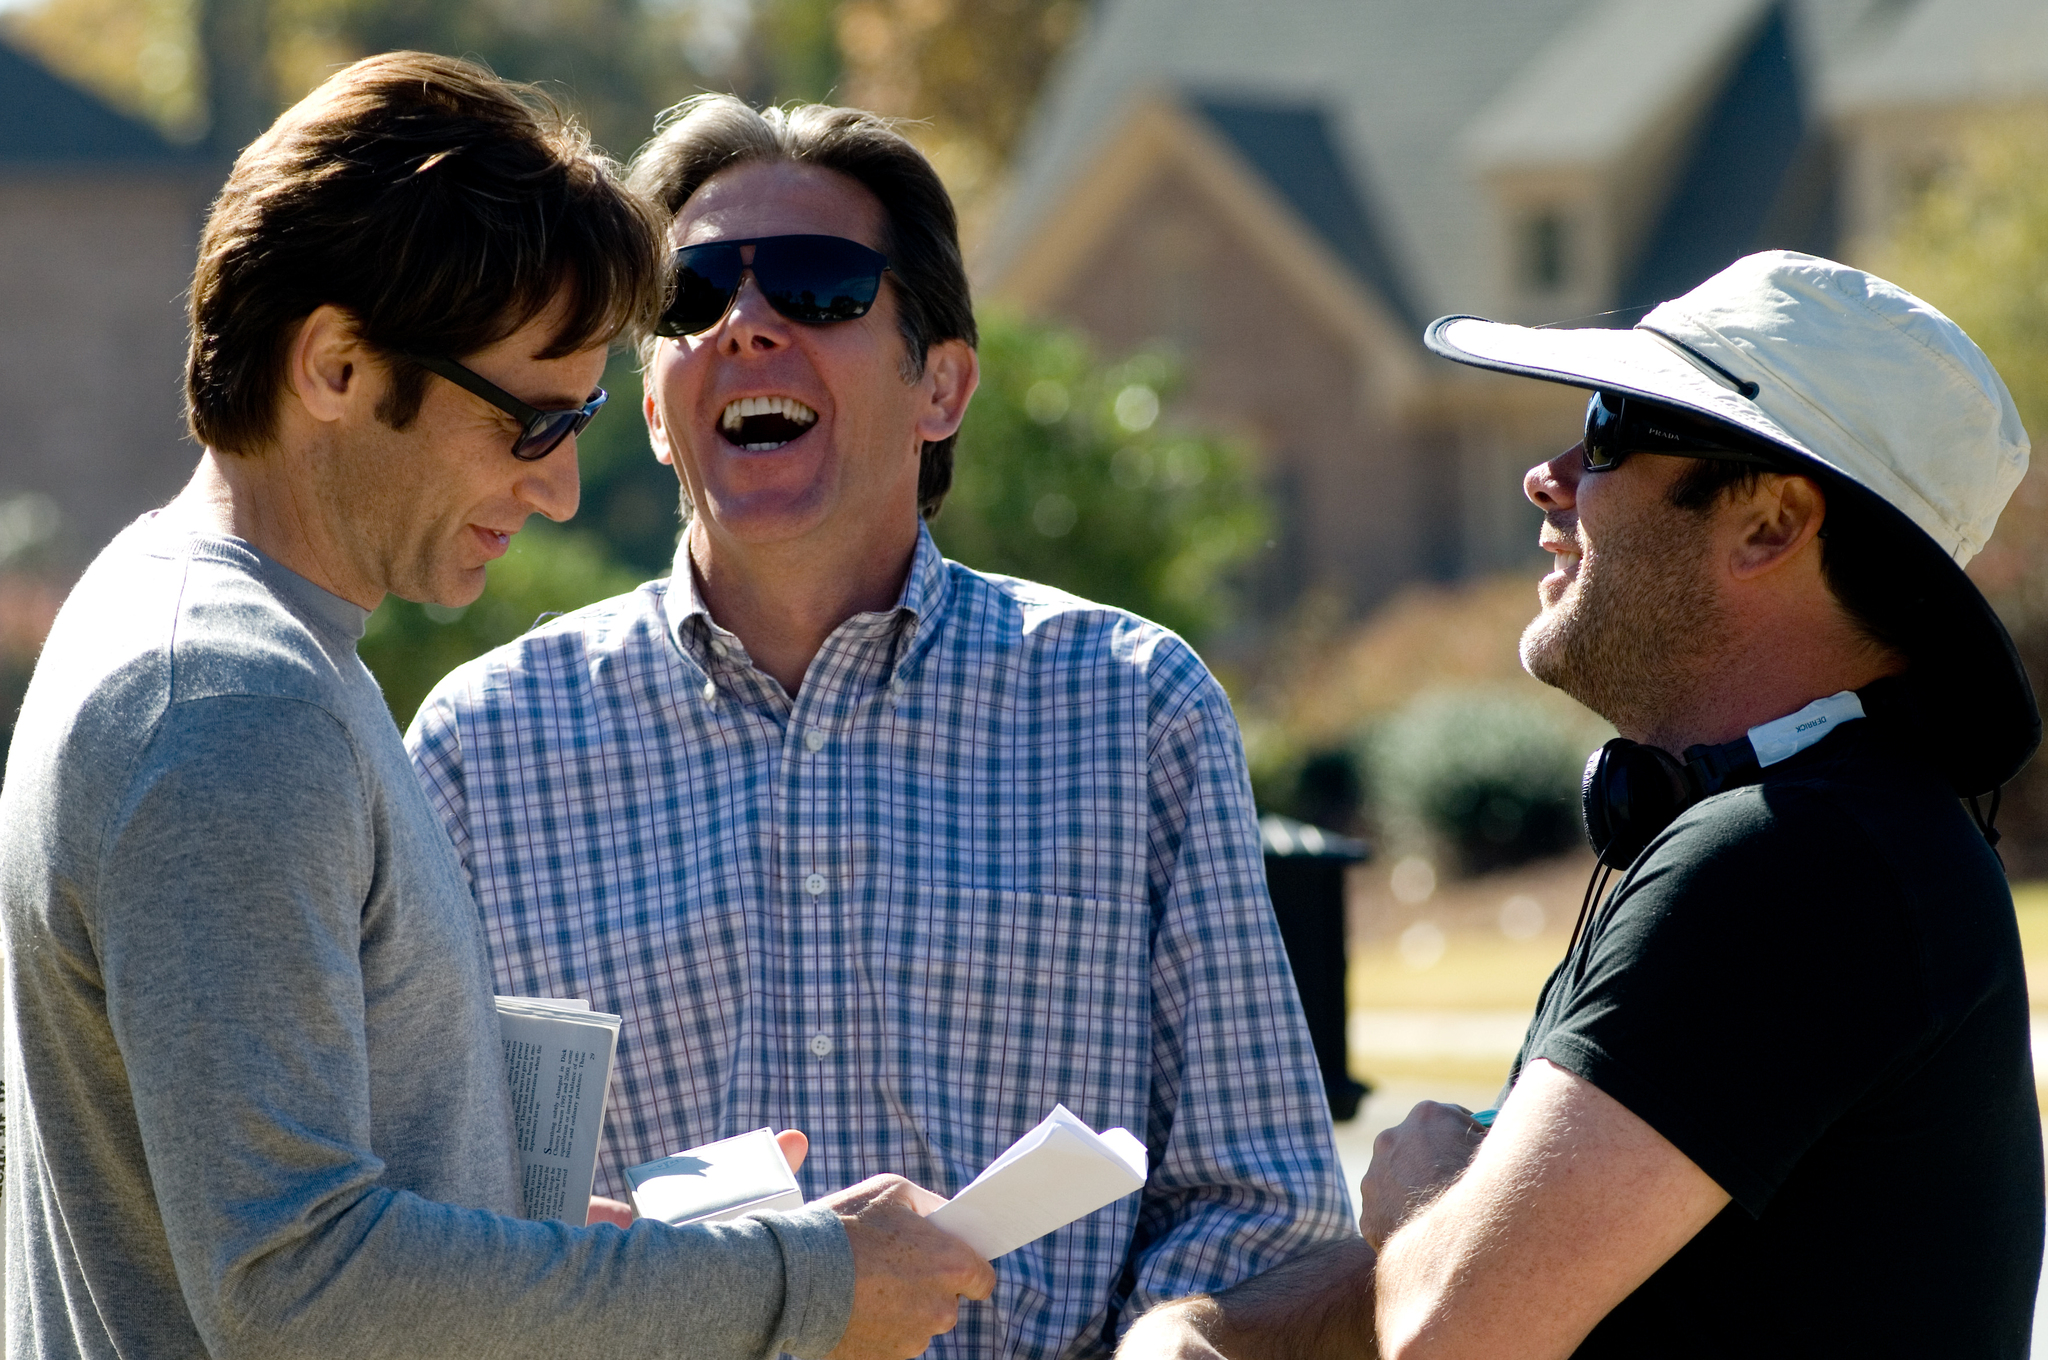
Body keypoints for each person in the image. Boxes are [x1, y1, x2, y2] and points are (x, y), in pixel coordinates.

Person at [0, 53, 993, 1360]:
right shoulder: (229, 704)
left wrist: (556, 1245)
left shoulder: (225, 639)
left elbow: (315, 1235)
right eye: (530, 421)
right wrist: (799, 1286)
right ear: (337, 368)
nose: (563, 490)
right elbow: (296, 1284)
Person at [405, 93, 1355, 1358]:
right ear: (649, 403)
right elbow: (418, 1228)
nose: (745, 326)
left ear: (942, 385)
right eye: (691, 302)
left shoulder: (1131, 711)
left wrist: (1170, 1340)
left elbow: (1267, 1209)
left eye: (816, 286)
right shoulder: (483, 748)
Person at [1118, 250, 2046, 1359]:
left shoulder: (1792, 862)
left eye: (1611, 427)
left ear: (1766, 524)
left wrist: (1416, 1190)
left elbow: (1444, 1331)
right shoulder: (1830, 839)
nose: (1546, 474)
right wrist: (1197, 1328)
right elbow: (1505, 1262)